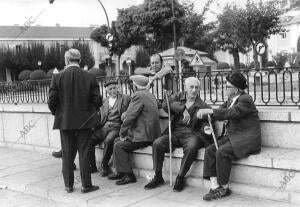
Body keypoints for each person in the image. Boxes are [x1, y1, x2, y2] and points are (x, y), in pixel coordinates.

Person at [197, 72, 261, 201]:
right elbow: (218, 112)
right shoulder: (230, 100)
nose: (224, 88)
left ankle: (224, 187)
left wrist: (211, 112)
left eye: (227, 86)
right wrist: (206, 116)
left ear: (236, 89)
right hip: (235, 136)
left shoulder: (245, 99)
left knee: (222, 151)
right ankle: (215, 187)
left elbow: (232, 113)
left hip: (246, 139)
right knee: (210, 150)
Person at [144, 77, 213, 192]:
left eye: (196, 87)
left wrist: (206, 126)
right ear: (185, 87)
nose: (194, 90)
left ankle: (180, 177)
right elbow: (165, 103)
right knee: (157, 143)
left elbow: (205, 120)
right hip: (175, 132)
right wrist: (182, 109)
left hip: (191, 134)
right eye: (191, 87)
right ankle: (158, 176)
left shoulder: (203, 105)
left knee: (192, 147)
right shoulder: (178, 96)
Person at [48, 48, 102, 194]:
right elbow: (98, 100)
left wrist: (59, 114)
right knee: (84, 152)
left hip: (65, 122)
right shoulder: (90, 77)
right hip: (85, 122)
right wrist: (89, 113)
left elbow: (52, 102)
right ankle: (86, 185)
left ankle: (68, 186)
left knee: (66, 153)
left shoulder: (57, 77)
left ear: (66, 60)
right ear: (80, 60)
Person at [108, 75, 161, 185]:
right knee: (117, 141)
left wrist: (122, 132)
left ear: (135, 86)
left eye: (131, 85)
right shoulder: (150, 95)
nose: (131, 86)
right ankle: (121, 171)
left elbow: (130, 118)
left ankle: (128, 175)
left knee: (119, 144)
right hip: (151, 134)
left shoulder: (138, 96)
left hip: (144, 136)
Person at [89, 80, 131, 176]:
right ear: (107, 90)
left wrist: (126, 113)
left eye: (115, 88)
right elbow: (98, 114)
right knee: (90, 140)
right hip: (104, 127)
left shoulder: (125, 98)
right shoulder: (104, 101)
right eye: (110, 89)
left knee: (108, 141)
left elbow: (133, 107)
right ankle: (93, 166)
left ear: (118, 88)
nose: (113, 90)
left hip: (116, 127)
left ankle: (105, 166)